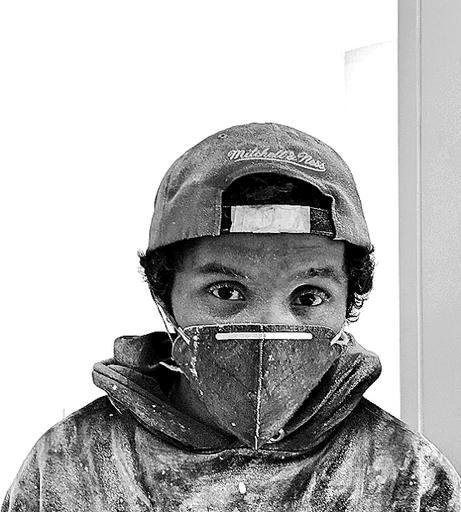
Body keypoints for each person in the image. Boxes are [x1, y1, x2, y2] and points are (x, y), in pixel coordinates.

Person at [2, 122, 460, 511]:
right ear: (166, 295)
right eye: (226, 291)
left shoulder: (407, 475)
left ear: (348, 301)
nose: (270, 324)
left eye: (308, 296)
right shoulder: (70, 465)